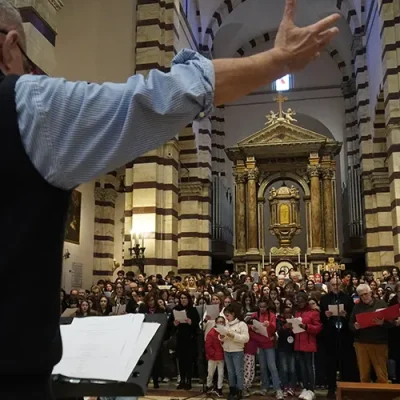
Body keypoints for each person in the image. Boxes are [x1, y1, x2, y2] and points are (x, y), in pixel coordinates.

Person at [0, 0, 340, 398]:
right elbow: (154, 98)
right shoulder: (25, 105)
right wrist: (276, 61)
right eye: (26, 59)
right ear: (10, 47)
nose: (27, 70)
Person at [319, 278, 357, 398]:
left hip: (344, 335)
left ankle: (345, 388)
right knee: (330, 364)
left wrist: (346, 315)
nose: (335, 286)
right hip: (330, 335)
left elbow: (353, 315)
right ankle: (331, 388)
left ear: (341, 285)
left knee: (345, 363)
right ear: (329, 286)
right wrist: (325, 315)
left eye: (337, 284)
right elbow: (320, 316)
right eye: (333, 284)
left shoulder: (347, 298)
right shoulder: (324, 298)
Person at [349, 284, 390, 383]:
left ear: (371, 293)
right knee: (364, 375)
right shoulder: (357, 307)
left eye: (366, 294)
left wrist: (382, 323)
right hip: (361, 343)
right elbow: (350, 323)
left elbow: (391, 323)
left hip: (379, 343)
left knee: (381, 375)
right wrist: (355, 326)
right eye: (361, 295)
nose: (364, 297)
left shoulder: (381, 304)